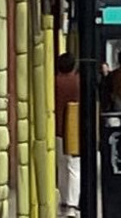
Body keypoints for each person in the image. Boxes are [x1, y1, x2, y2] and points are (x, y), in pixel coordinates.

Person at [54, 53, 80, 218]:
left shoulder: (54, 82)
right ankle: (72, 203)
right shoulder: (78, 82)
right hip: (74, 128)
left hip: (57, 128)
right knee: (74, 167)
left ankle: (64, 200)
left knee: (62, 166)